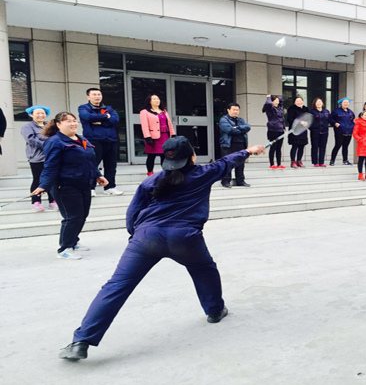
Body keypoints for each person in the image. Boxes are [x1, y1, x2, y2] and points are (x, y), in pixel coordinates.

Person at [57, 136, 266, 361]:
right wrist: (249, 150)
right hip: (185, 239)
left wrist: (135, 237)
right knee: (205, 269)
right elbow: (227, 161)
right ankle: (215, 311)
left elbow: (132, 213)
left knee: (116, 287)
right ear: (192, 157)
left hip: (145, 238)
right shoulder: (204, 173)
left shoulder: (151, 181)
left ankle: (81, 341)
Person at [32, 112, 108, 260]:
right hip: (65, 185)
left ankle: (73, 241)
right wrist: (43, 185)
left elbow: (90, 161)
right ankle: (65, 249)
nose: (73, 124)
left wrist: (98, 175)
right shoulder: (55, 141)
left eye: (74, 121)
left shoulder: (82, 139)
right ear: (58, 125)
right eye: (68, 121)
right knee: (72, 217)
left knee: (82, 215)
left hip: (84, 183)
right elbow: (50, 166)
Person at [78, 87, 123, 196]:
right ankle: (90, 187)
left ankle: (110, 187)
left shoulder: (108, 108)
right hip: (94, 140)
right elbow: (88, 117)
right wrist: (106, 117)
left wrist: (101, 121)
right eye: (94, 95)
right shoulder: (83, 108)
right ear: (88, 97)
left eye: (99, 94)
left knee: (111, 165)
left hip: (111, 140)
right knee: (92, 164)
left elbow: (115, 119)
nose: (97, 97)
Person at [21, 105, 57, 212]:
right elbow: (31, 140)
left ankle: (53, 201)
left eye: (43, 113)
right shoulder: (28, 127)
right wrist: (48, 145)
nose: (41, 115)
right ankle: (36, 202)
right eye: (37, 113)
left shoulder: (49, 126)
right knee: (37, 179)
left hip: (50, 157)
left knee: (52, 179)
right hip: (36, 158)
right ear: (31, 115)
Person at [140, 94, 175, 176]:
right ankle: (150, 173)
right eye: (154, 99)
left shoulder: (164, 111)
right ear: (149, 101)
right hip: (153, 137)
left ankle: (166, 173)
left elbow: (169, 123)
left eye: (158, 99)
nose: (157, 101)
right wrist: (147, 137)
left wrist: (173, 134)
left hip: (165, 136)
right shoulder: (144, 112)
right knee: (151, 156)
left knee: (164, 155)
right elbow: (145, 125)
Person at [218, 102, 251, 187]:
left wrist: (238, 127)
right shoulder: (224, 120)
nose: (235, 111)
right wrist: (241, 130)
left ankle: (240, 181)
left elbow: (248, 127)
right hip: (228, 145)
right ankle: (225, 181)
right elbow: (229, 130)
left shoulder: (240, 120)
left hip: (241, 144)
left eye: (237, 110)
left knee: (240, 163)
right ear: (228, 110)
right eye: (234, 110)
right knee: (228, 163)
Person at [329, 97, 355, 166]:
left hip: (349, 131)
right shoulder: (336, 111)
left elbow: (353, 120)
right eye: (344, 102)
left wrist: (352, 126)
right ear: (341, 103)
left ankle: (345, 160)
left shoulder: (350, 112)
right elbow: (330, 119)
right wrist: (335, 123)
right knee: (337, 145)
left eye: (347, 102)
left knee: (345, 146)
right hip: (339, 131)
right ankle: (332, 160)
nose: (346, 104)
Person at [263, 95, 286, 169]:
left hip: (280, 130)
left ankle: (279, 164)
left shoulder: (279, 108)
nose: (278, 102)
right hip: (273, 130)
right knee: (273, 147)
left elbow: (281, 101)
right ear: (272, 101)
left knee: (279, 148)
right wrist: (268, 97)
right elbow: (268, 103)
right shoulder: (270, 109)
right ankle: (272, 164)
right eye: (276, 100)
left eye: (278, 101)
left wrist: (278, 97)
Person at [287, 96, 309, 168]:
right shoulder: (291, 108)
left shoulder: (306, 109)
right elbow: (289, 119)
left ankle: (299, 161)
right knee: (295, 146)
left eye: (300, 100)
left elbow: (309, 118)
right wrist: (299, 122)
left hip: (303, 130)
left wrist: (306, 123)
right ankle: (293, 162)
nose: (299, 102)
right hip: (295, 130)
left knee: (302, 146)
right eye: (297, 101)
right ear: (294, 102)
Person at [310, 98, 330, 167]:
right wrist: (312, 128)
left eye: (320, 102)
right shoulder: (312, 112)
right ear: (314, 104)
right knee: (314, 147)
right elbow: (309, 122)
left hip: (324, 131)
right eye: (317, 102)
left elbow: (329, 120)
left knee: (323, 147)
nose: (319, 103)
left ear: (322, 103)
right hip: (315, 131)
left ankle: (321, 162)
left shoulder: (326, 111)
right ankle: (315, 162)